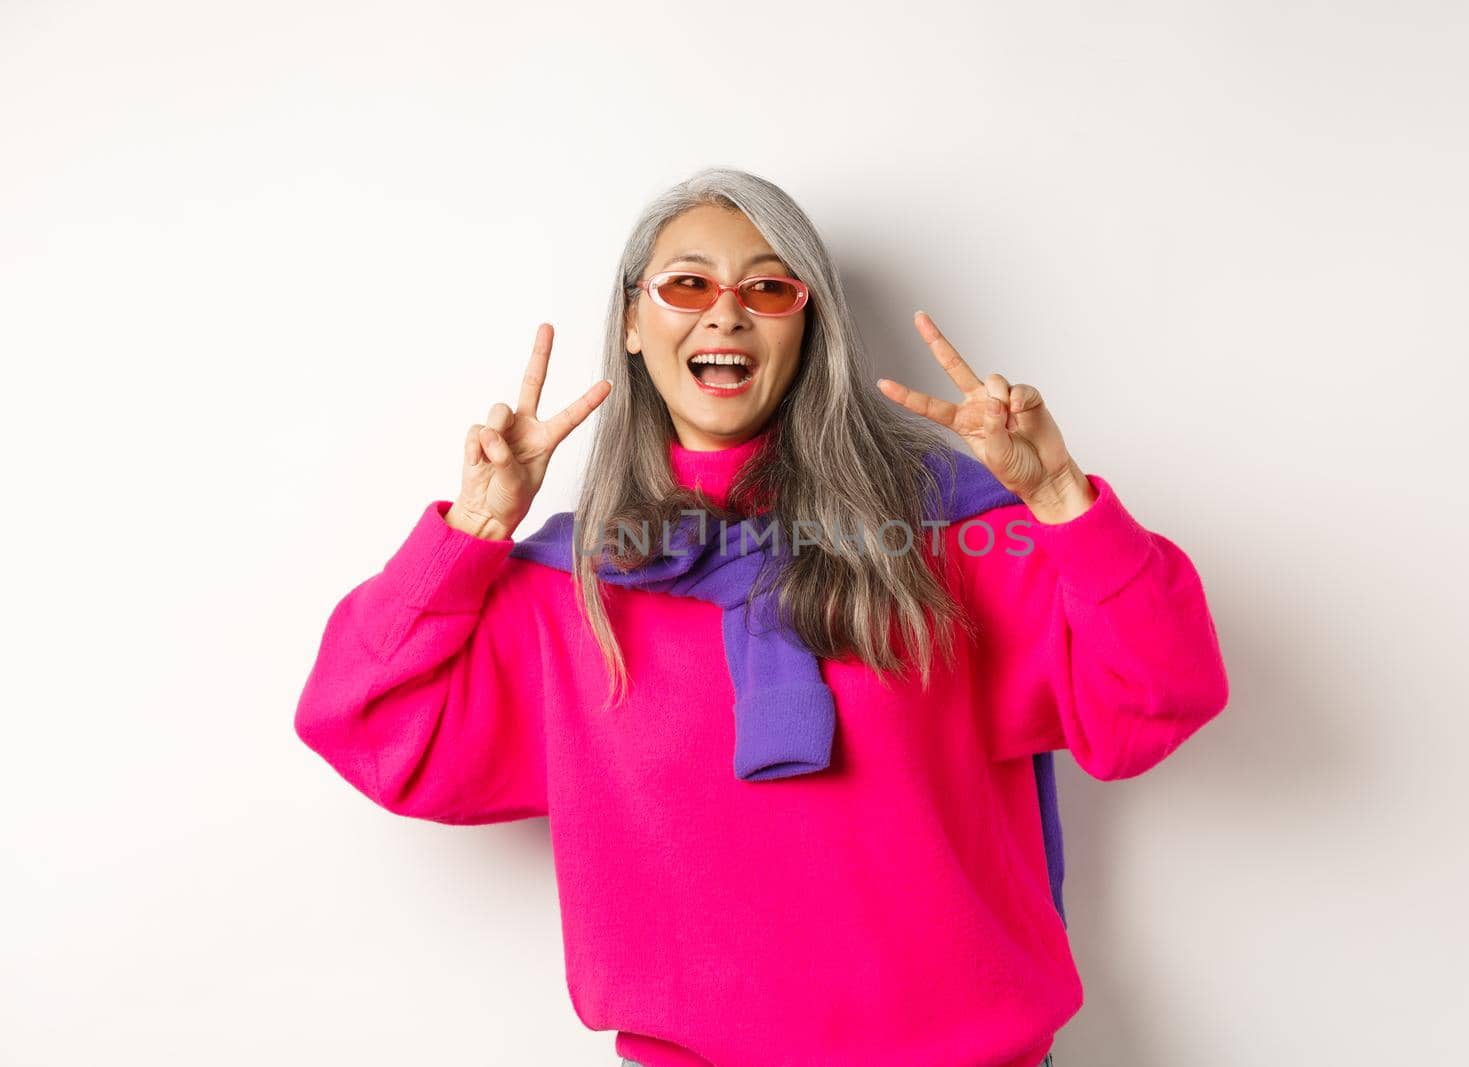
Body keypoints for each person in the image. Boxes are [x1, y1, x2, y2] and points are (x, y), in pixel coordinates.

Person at [294, 166, 1230, 1067]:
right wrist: (475, 528)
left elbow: (1161, 693)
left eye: (769, 287)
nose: (726, 310)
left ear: (808, 322)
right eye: (686, 282)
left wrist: (1062, 498)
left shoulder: (950, 534)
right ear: (630, 321)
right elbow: (366, 723)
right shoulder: (570, 584)